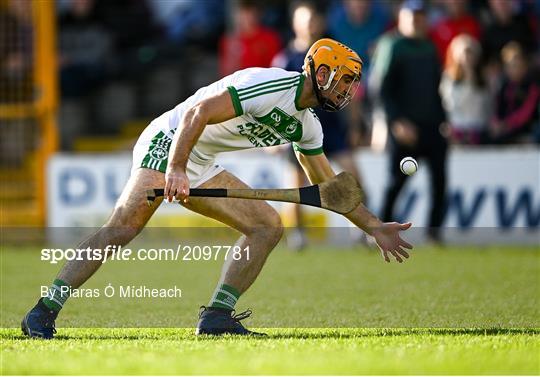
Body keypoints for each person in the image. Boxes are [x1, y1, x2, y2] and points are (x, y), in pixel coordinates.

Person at [21, 38, 413, 339]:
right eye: (344, 81)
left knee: (267, 226)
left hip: (203, 161)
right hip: (171, 140)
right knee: (124, 227)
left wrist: (374, 226)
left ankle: (217, 316)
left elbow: (330, 187)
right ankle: (43, 309)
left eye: (351, 85)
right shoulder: (269, 84)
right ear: (321, 73)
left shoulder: (308, 126)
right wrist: (175, 168)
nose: (347, 93)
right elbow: (198, 111)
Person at [272, 1, 366, 250]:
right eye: (305, 19)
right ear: (295, 24)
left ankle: (359, 230)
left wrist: (355, 125)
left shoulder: (334, 53)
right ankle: (297, 237)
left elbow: (352, 92)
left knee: (353, 176)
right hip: (298, 131)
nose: (310, 24)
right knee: (296, 188)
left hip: (331, 129)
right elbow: (274, 101)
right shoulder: (286, 58)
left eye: (314, 19)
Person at [369, 0, 447, 242]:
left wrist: (445, 120)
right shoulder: (391, 44)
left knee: (440, 182)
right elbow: (380, 89)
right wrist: (396, 121)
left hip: (432, 126)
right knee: (396, 183)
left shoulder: (429, 47)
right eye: (411, 15)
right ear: (400, 17)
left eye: (420, 15)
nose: (416, 20)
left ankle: (434, 234)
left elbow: (436, 89)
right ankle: (380, 231)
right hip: (405, 129)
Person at [440, 34, 491, 144]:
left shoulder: (484, 79)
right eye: (464, 53)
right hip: (456, 130)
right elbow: (448, 104)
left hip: (479, 129)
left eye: (470, 53)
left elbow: (488, 105)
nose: (467, 57)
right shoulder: (448, 79)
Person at [488, 42, 539, 144]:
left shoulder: (532, 87)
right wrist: (496, 123)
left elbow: (526, 112)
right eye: (511, 66)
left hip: (525, 127)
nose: (514, 69)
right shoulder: (504, 86)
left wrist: (507, 124)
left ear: (525, 66)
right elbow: (498, 108)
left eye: (518, 65)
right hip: (505, 128)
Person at [219, 0, 282, 77]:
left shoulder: (270, 38)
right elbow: (226, 73)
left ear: (258, 14)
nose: (245, 18)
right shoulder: (229, 40)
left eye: (249, 13)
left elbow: (276, 69)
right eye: (242, 13)